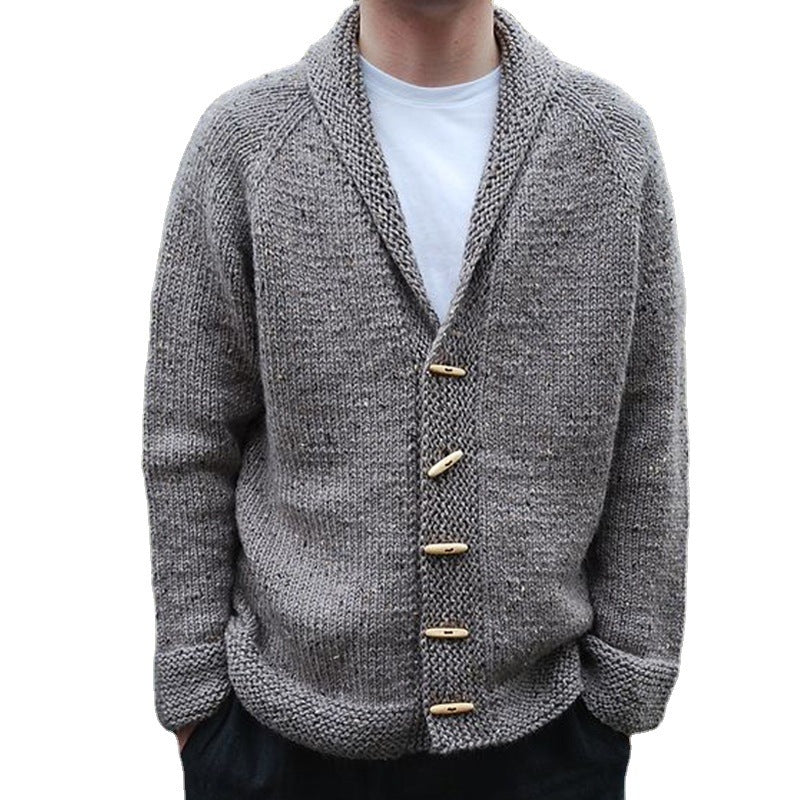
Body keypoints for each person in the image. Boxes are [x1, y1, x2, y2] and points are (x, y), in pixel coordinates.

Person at [141, 1, 689, 798]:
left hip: (545, 738)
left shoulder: (607, 147)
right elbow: (190, 435)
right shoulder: (247, 144)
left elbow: (648, 430)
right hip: (278, 737)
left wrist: (627, 684)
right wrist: (197, 700)